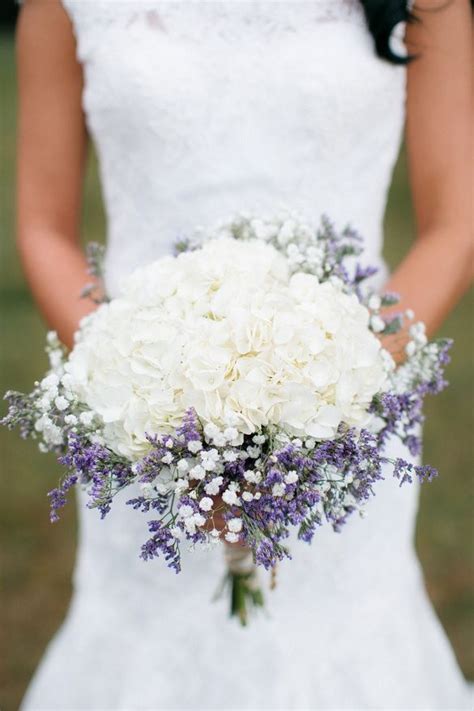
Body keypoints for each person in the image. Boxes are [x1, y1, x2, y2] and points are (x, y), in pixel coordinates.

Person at [16, 0, 473, 708]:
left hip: (349, 418)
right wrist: (149, 403)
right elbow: (45, 227)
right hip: (145, 427)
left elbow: (454, 224)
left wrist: (327, 401)